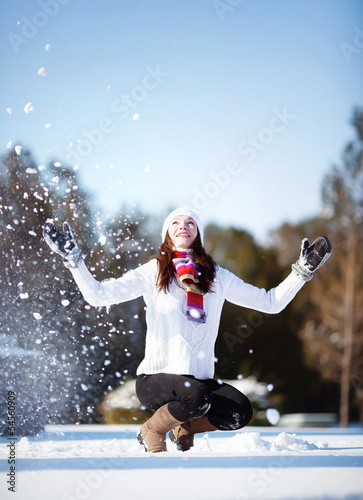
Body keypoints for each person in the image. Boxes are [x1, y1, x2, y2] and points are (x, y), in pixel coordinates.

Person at [43, 208, 331, 453]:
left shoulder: (217, 276)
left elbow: (270, 303)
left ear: (198, 233)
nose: (184, 226)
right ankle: (152, 431)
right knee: (195, 396)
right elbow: (98, 296)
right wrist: (75, 261)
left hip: (198, 383)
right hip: (155, 379)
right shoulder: (154, 270)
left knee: (240, 411)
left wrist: (301, 272)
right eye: (176, 223)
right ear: (168, 233)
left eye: (190, 222)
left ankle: (185, 425)